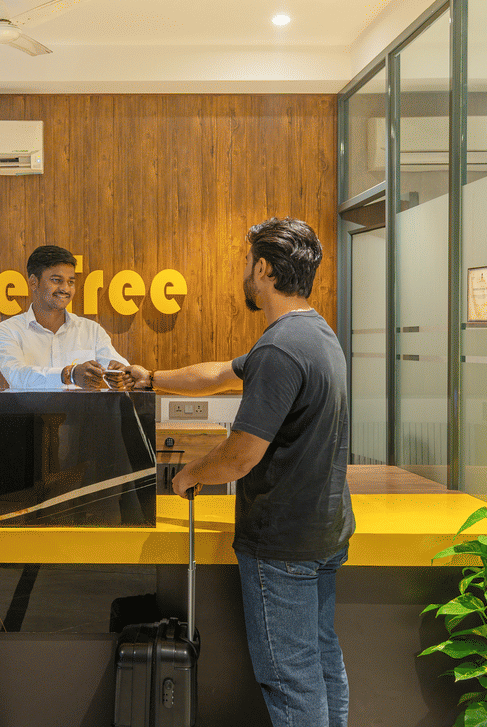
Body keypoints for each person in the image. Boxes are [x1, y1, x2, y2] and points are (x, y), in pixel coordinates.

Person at [129, 217, 353, 727]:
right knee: (321, 661)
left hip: (283, 544)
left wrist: (189, 473)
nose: (244, 272)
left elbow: (240, 456)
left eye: (247, 263)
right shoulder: (313, 333)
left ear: (264, 269)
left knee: (291, 678)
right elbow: (218, 373)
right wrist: (152, 378)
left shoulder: (279, 349)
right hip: (323, 531)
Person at [0, 244, 140, 390]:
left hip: (83, 409)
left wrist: (123, 376)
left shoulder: (92, 330)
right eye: (56, 280)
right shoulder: (7, 331)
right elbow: (18, 376)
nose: (65, 288)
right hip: (30, 409)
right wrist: (69, 374)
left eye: (71, 282)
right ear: (33, 282)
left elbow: (116, 366)